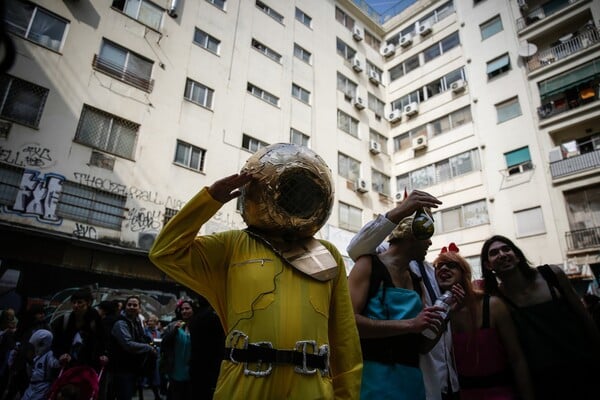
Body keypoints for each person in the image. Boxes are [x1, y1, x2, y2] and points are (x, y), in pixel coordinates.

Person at [149, 143, 362, 399]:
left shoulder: (327, 255)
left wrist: (346, 395)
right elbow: (165, 252)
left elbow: (345, 338)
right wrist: (209, 200)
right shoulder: (232, 245)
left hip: (311, 387)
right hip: (244, 384)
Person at [346, 191, 459, 400]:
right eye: (428, 236)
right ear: (414, 233)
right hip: (372, 382)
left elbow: (422, 345)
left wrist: (440, 321)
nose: (430, 244)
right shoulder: (369, 264)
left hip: (413, 384)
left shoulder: (418, 279)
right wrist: (411, 325)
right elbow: (347, 324)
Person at [480, 235, 600, 399]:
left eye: (506, 249)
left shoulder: (551, 274)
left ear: (517, 255)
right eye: (494, 253)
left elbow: (584, 316)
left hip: (583, 367)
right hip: (543, 382)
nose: (502, 254)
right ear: (488, 265)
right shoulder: (497, 300)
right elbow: (514, 354)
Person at [433, 244, 534, 400]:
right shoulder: (439, 312)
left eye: (451, 265)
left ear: (464, 273)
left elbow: (516, 358)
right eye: (438, 266)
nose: (443, 269)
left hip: (501, 393)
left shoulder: (492, 305)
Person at [109, 296, 157, 400]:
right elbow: (128, 344)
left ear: (139, 308)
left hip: (132, 367)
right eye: (129, 304)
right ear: (125, 307)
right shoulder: (121, 322)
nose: (132, 307)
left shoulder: (136, 321)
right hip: (121, 368)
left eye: (135, 305)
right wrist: (148, 347)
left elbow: (140, 338)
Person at [51, 288, 108, 371]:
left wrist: (102, 355)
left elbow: (102, 341)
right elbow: (56, 342)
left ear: (88, 303)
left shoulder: (95, 321)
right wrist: (61, 354)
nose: (76, 305)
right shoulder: (65, 320)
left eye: (79, 302)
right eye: (74, 302)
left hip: (88, 365)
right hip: (67, 364)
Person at [160, 300, 194, 400]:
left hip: (191, 372)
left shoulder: (197, 326)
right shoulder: (174, 325)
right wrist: (174, 330)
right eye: (182, 309)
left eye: (187, 308)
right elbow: (164, 343)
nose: (184, 311)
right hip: (175, 371)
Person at [21, 329, 61, 400]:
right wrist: (29, 363)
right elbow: (31, 370)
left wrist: (60, 360)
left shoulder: (49, 354)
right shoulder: (37, 356)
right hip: (32, 384)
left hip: (43, 386)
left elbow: (54, 363)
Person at [143, 314, 161, 400]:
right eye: (149, 321)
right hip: (146, 356)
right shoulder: (144, 331)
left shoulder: (158, 332)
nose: (150, 322)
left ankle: (156, 396)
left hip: (155, 357)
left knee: (155, 377)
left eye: (152, 321)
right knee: (143, 377)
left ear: (156, 323)